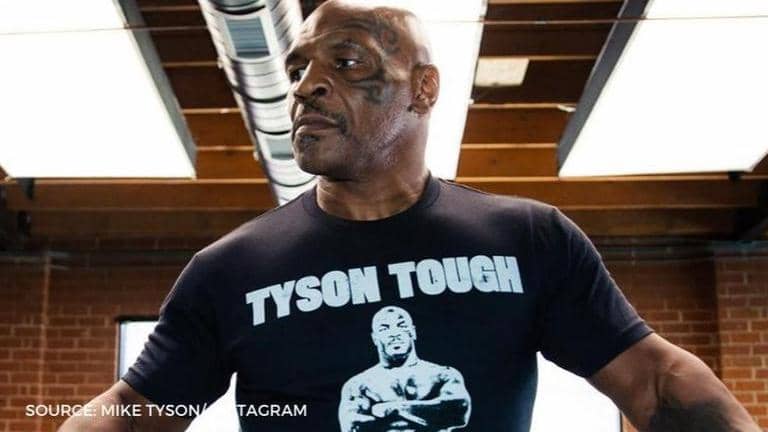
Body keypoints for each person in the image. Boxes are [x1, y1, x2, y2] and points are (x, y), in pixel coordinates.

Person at [59, 1, 761, 431]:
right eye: (299, 69)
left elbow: (655, 383)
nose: (305, 88)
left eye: (344, 62)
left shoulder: (527, 241)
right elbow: (134, 417)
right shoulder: (231, 271)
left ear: (423, 89)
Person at [339, 306, 471, 431]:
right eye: (384, 329)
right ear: (375, 338)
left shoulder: (443, 375)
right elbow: (353, 426)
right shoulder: (359, 385)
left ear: (413, 332)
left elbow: (458, 412)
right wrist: (426, 413)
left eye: (402, 326)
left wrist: (393, 409)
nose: (394, 334)